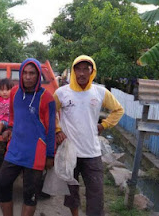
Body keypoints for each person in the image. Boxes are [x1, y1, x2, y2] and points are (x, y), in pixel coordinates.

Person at [53, 55, 124, 216]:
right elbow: (50, 112)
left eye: (86, 69)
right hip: (70, 152)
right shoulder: (62, 93)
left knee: (96, 194)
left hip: (92, 152)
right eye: (78, 69)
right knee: (71, 192)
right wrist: (57, 130)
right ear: (73, 70)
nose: (82, 73)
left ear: (92, 71)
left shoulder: (99, 92)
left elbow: (118, 110)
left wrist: (104, 125)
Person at [0, 58, 56, 216]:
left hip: (35, 153)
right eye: (25, 73)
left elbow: (50, 130)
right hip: (15, 149)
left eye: (32, 73)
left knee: (30, 194)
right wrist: (9, 127)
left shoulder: (47, 98)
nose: (28, 77)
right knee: (2, 184)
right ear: (21, 74)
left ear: (38, 76)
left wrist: (50, 155)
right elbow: (12, 114)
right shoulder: (15, 92)